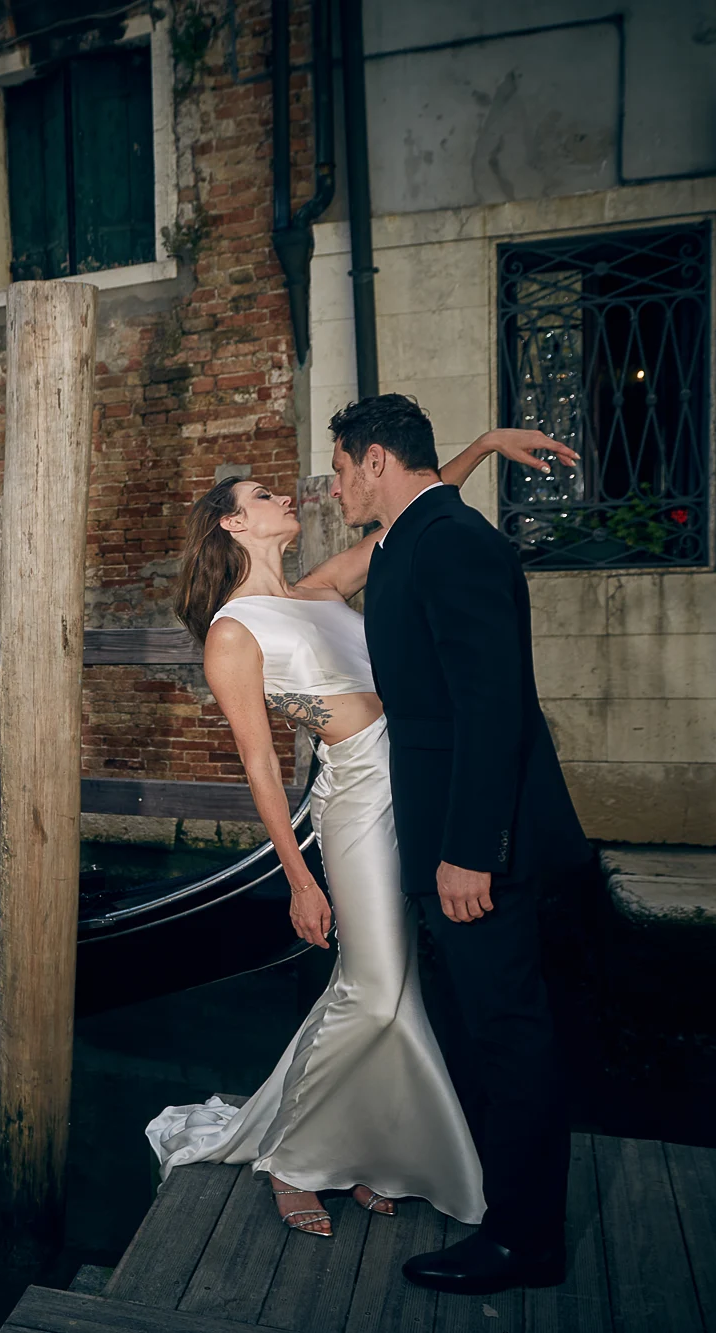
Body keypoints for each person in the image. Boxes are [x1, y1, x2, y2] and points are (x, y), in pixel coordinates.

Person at [143, 414, 575, 1254]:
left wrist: (483, 447)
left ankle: (371, 1147)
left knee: (398, 987)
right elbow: (261, 768)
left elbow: (412, 513)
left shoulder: (316, 589)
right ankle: (293, 1157)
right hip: (355, 802)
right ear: (232, 522)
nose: (286, 496)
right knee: (373, 988)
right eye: (262, 494)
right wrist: (299, 880)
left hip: (413, 788)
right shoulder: (233, 632)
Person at [328, 394, 592, 1294]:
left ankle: (525, 1242)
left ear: (375, 461)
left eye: (341, 469)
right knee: (483, 1028)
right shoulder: (413, 535)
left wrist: (472, 848)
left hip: (477, 845)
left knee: (509, 1033)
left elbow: (492, 705)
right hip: (442, 833)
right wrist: (479, 445)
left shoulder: (452, 543)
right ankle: (504, 1209)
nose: (335, 488)